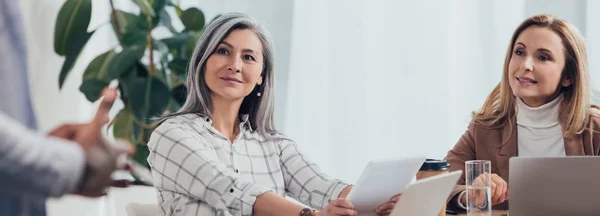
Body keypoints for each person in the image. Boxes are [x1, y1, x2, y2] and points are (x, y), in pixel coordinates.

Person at [147, 12, 399, 216]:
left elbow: (323, 187)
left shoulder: (274, 145)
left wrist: (381, 201)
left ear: (261, 76)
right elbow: (229, 188)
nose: (234, 65)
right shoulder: (171, 135)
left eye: (248, 57)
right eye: (223, 51)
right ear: (203, 61)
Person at [445, 14, 600, 211]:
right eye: (519, 52)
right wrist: (471, 195)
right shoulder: (485, 128)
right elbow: (439, 184)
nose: (525, 65)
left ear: (568, 76)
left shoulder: (595, 130)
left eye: (543, 57)